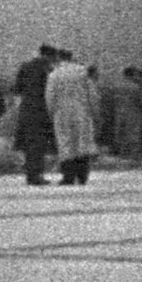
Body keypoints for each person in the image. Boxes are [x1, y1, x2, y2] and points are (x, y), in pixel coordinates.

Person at [46, 51, 94, 185]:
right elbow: (92, 94)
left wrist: (51, 113)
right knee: (82, 143)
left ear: (59, 58)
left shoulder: (54, 74)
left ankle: (68, 176)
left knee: (65, 143)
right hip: (82, 111)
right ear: (72, 57)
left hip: (62, 113)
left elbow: (50, 96)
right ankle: (82, 175)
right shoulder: (82, 72)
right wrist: (93, 112)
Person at [15, 45, 57, 185]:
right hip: (40, 111)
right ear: (50, 56)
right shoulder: (47, 69)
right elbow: (50, 91)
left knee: (29, 144)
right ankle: (36, 175)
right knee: (38, 145)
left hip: (26, 109)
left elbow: (17, 88)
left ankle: (30, 174)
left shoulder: (25, 66)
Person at [115, 68, 142, 160]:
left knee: (122, 133)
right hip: (133, 112)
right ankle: (134, 154)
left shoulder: (118, 86)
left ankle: (123, 153)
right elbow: (140, 101)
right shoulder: (135, 87)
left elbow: (115, 100)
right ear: (131, 74)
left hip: (120, 112)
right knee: (134, 133)